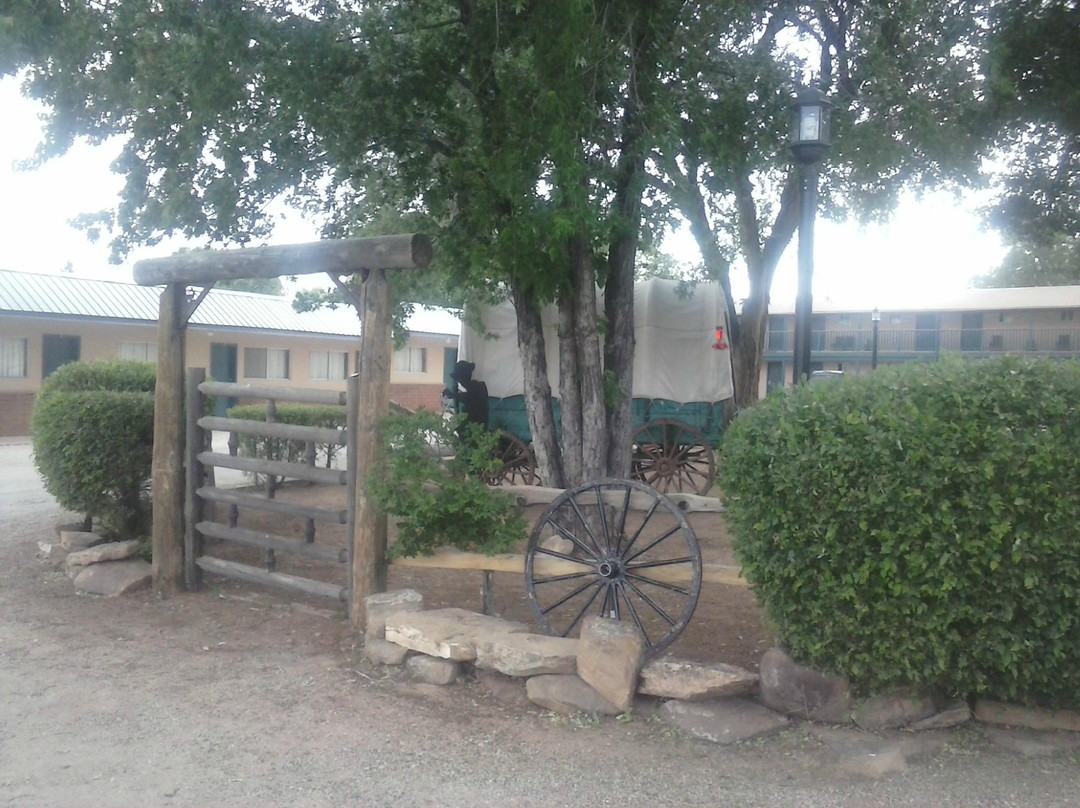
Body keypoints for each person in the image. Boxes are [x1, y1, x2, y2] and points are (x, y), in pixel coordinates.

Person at [444, 360, 489, 432]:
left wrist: (452, 395)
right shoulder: (475, 387)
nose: (460, 382)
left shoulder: (479, 387)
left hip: (477, 428)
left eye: (460, 379)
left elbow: (469, 398)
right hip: (472, 426)